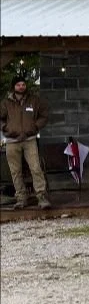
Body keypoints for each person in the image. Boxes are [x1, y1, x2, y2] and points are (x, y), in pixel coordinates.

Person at [0, 76, 50, 209]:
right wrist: (6, 128)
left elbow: (44, 114)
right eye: (18, 85)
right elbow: (1, 118)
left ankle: (42, 197)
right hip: (12, 141)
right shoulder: (6, 103)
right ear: (14, 87)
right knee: (15, 171)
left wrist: (35, 126)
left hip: (30, 140)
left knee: (36, 168)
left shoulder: (34, 101)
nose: (21, 87)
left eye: (23, 84)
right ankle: (21, 198)